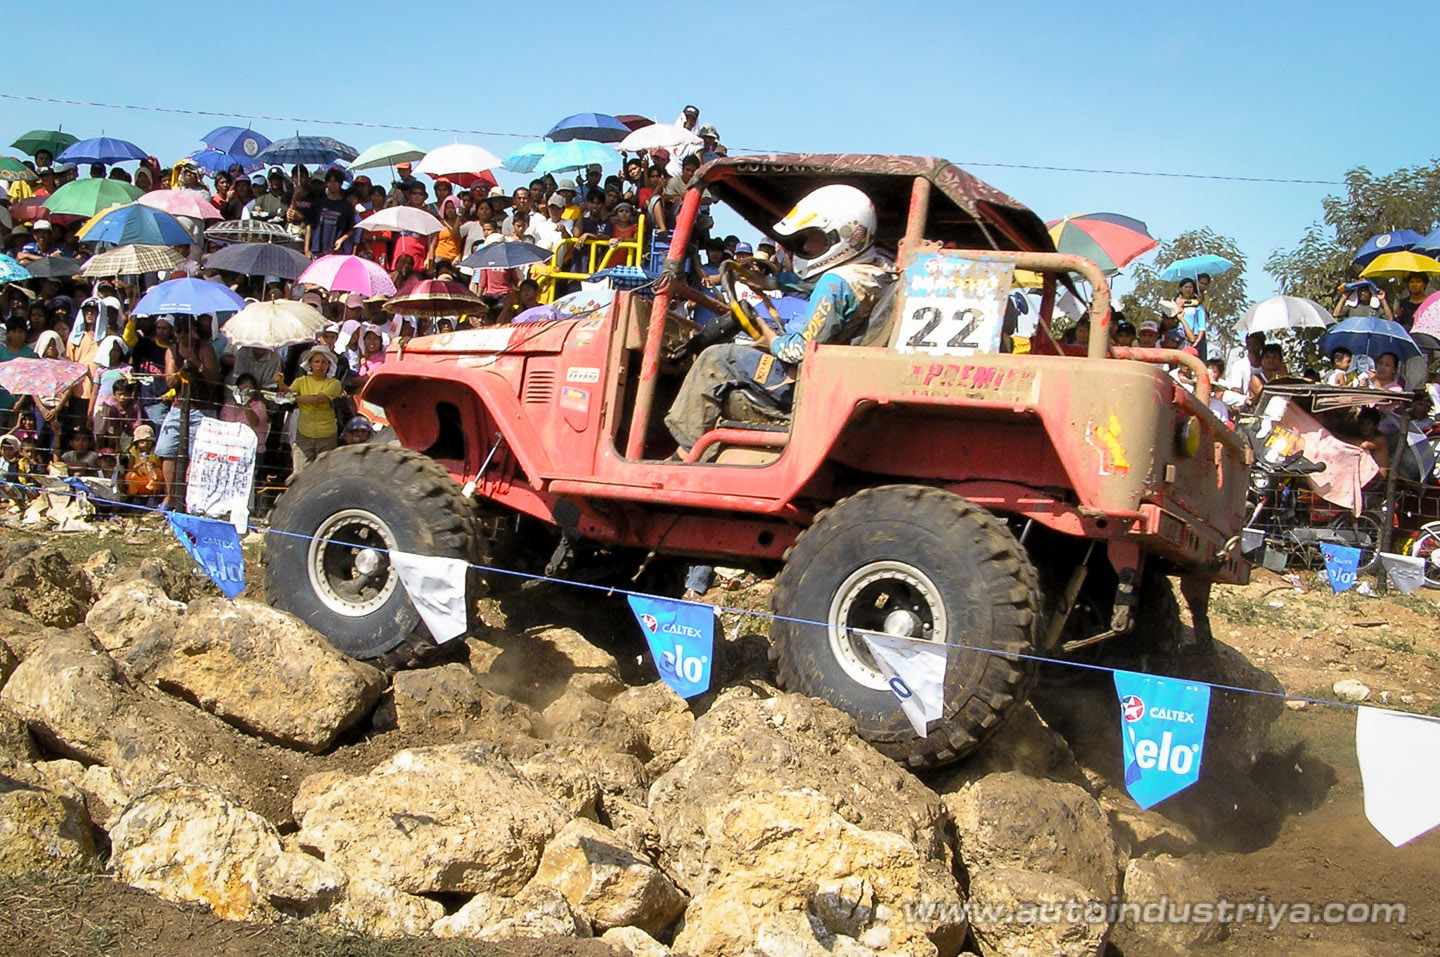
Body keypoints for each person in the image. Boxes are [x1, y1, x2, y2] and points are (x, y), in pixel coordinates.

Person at [665, 184, 894, 454]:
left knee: (714, 359)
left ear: (844, 237)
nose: (806, 246)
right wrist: (771, 281)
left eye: (813, 238)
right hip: (840, 374)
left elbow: (799, 350)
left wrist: (769, 339)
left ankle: (681, 456)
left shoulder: (835, 284)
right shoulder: (874, 269)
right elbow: (814, 286)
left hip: (807, 380)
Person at [274, 346, 343, 475]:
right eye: (316, 361)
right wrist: (281, 383)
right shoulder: (301, 381)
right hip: (304, 434)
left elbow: (319, 399)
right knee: (300, 474)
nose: (320, 365)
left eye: (324, 362)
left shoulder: (334, 384)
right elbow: (289, 393)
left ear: (329, 365)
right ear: (310, 363)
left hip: (326, 436)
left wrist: (295, 398)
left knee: (324, 474)